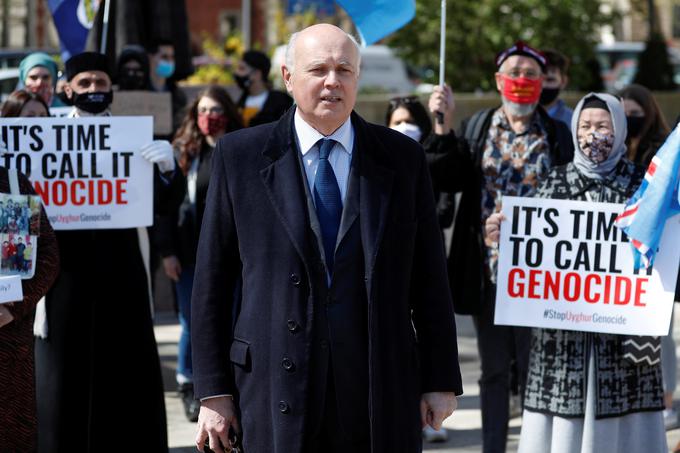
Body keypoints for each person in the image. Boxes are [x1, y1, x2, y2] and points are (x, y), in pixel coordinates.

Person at [192, 24, 463, 453]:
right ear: (288, 77)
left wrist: (440, 380)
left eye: (344, 70)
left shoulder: (401, 158)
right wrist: (212, 391)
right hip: (272, 385)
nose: (332, 82)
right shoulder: (239, 157)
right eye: (318, 69)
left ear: (358, 78)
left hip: (378, 387)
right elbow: (211, 282)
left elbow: (429, 277)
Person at [485, 93, 667, 453]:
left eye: (603, 126)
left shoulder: (644, 189)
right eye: (585, 126)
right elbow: (527, 261)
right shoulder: (552, 185)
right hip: (561, 345)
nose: (592, 134)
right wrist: (502, 240)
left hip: (624, 348)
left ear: (620, 130)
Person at [426, 41, 574, 453]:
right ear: (498, 80)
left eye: (531, 74)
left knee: (534, 369)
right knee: (493, 371)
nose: (522, 81)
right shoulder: (476, 128)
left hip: (542, 276)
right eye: (515, 72)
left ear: (543, 82)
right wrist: (442, 127)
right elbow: (445, 177)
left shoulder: (557, 133)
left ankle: (535, 445)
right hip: (488, 271)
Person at [34, 51, 185, 453]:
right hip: (63, 277)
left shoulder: (133, 139)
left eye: (101, 83)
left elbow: (164, 206)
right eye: (84, 83)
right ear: (67, 89)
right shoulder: (46, 136)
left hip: (122, 275)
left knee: (124, 374)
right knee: (64, 377)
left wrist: (169, 171)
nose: (94, 90)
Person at [155, 86, 242, 422]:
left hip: (235, 255)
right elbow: (166, 209)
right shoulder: (185, 154)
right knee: (193, 321)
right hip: (190, 253)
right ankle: (188, 383)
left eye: (216, 110)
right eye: (203, 111)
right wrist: (167, 252)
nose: (209, 118)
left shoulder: (240, 148)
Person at [233, 49, 294, 126]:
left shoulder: (281, 102)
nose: (236, 73)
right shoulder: (239, 101)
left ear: (257, 74)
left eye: (242, 68)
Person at [619, 83, 671, 167]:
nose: (628, 117)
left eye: (635, 113)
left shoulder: (663, 149)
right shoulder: (618, 146)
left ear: (649, 113)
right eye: (623, 113)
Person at [148, 39, 187, 131]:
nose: (169, 61)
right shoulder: (139, 90)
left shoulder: (178, 95)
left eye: (172, 57)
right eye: (164, 57)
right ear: (150, 57)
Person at [539, 49, 573, 127]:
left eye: (550, 80)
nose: (543, 85)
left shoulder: (575, 122)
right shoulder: (517, 118)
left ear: (563, 81)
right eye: (540, 80)